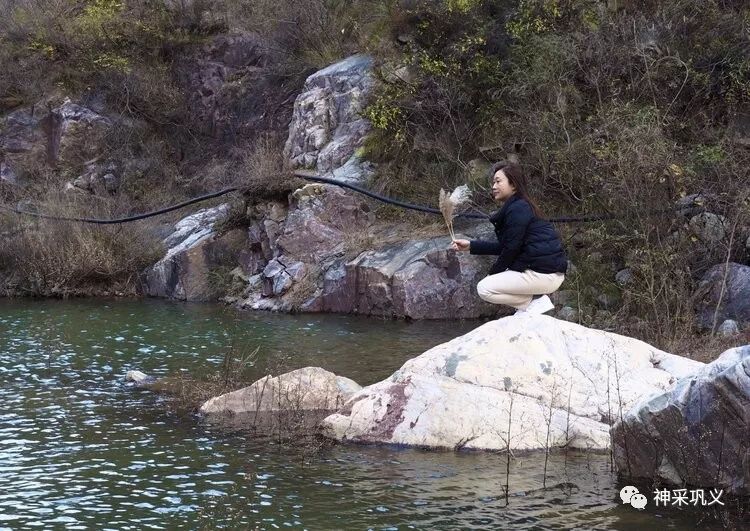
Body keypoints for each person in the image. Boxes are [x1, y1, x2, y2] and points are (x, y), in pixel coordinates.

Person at [451, 161, 568, 314]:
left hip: (543, 274)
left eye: (498, 181)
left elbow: (511, 248)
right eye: (493, 182)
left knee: (484, 288)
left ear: (513, 185)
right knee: (488, 285)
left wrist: (493, 273)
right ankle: (533, 302)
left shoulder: (518, 208)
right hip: (545, 272)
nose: (493, 186)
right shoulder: (519, 206)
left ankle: (533, 301)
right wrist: (471, 246)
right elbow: (508, 245)